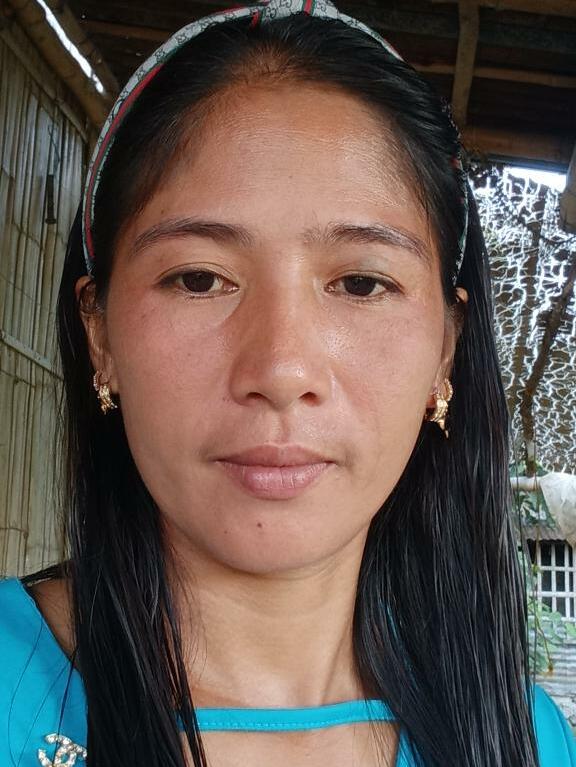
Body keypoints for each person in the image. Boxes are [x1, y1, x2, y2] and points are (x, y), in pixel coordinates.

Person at [1, 1, 574, 765]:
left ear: (446, 348)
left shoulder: (526, 736)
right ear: (99, 332)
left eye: (361, 283)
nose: (280, 369)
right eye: (199, 278)